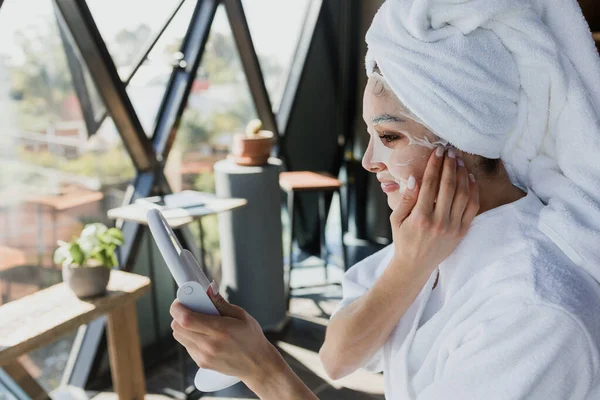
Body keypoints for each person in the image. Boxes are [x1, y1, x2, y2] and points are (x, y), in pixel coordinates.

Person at [170, 0, 600, 398]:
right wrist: (409, 266)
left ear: (466, 135)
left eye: (390, 136)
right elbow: (337, 358)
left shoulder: (534, 314)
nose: (371, 161)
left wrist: (262, 369)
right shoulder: (431, 240)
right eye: (371, 136)